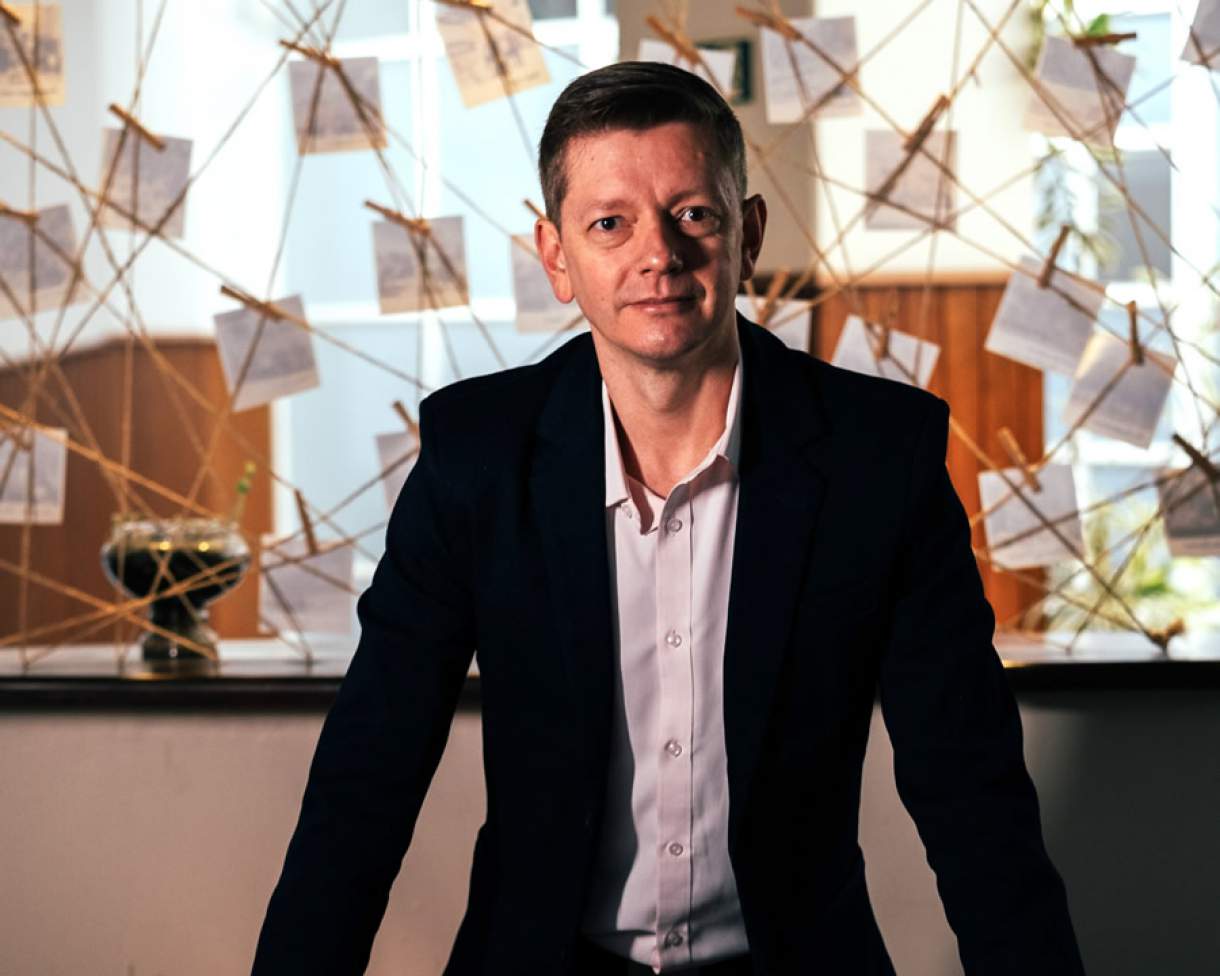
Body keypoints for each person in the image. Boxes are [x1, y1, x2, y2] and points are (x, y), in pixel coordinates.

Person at [253, 61, 1085, 975]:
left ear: (748, 233)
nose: (659, 254)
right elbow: (366, 780)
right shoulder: (475, 458)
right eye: (610, 223)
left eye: (692, 214)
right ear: (556, 257)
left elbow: (971, 790)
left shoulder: (879, 460)